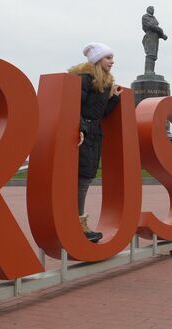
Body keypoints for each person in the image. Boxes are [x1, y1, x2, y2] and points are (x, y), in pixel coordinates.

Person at [68, 42, 122, 243]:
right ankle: (77, 225)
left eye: (112, 57)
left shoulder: (104, 84)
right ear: (98, 59)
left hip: (94, 135)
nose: (112, 61)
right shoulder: (85, 79)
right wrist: (81, 127)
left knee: (85, 178)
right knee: (81, 179)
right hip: (83, 136)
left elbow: (102, 114)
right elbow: (75, 106)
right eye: (108, 58)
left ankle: (76, 223)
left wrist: (114, 99)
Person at [142, 6, 168, 74]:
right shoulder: (145, 17)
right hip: (149, 37)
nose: (152, 10)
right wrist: (160, 30)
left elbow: (156, 29)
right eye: (151, 9)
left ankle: (151, 71)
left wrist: (162, 36)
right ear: (148, 10)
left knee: (153, 55)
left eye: (153, 9)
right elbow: (151, 26)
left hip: (155, 38)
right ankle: (148, 71)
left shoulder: (154, 18)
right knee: (150, 53)